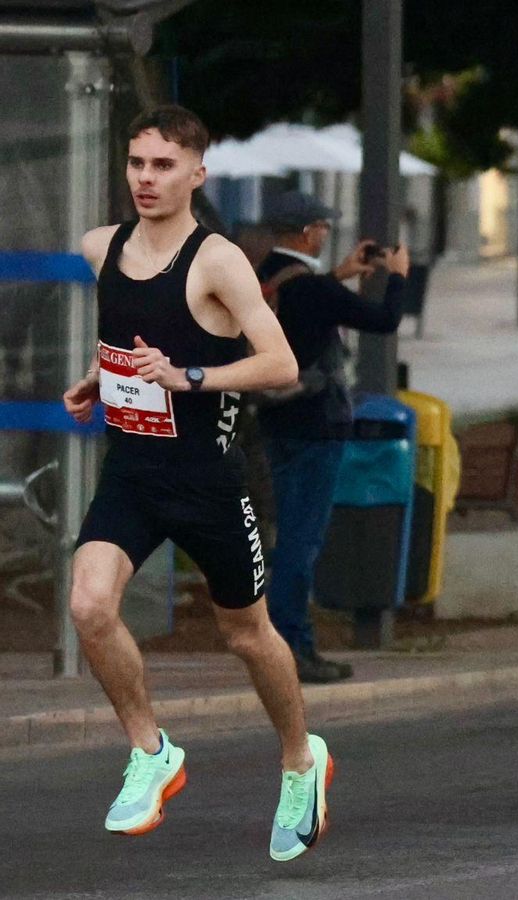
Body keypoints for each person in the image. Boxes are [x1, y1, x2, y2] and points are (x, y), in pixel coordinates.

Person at [60, 105, 331, 861]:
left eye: (164, 165)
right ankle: (152, 752)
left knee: (246, 633)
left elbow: (280, 364)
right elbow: (128, 335)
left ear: (197, 174)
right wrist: (99, 376)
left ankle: (301, 761)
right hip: (131, 473)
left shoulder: (218, 262)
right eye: (137, 163)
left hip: (207, 480)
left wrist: (190, 377)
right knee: (88, 604)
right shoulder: (101, 247)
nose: (146, 178)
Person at [255, 190, 410, 685]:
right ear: (307, 233)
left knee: (289, 534)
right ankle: (291, 649)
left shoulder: (265, 279)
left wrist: (340, 274)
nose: (325, 234)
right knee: (301, 542)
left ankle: (282, 644)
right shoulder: (316, 291)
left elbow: (302, 306)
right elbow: (384, 321)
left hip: (276, 422)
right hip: (317, 427)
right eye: (322, 227)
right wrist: (398, 276)